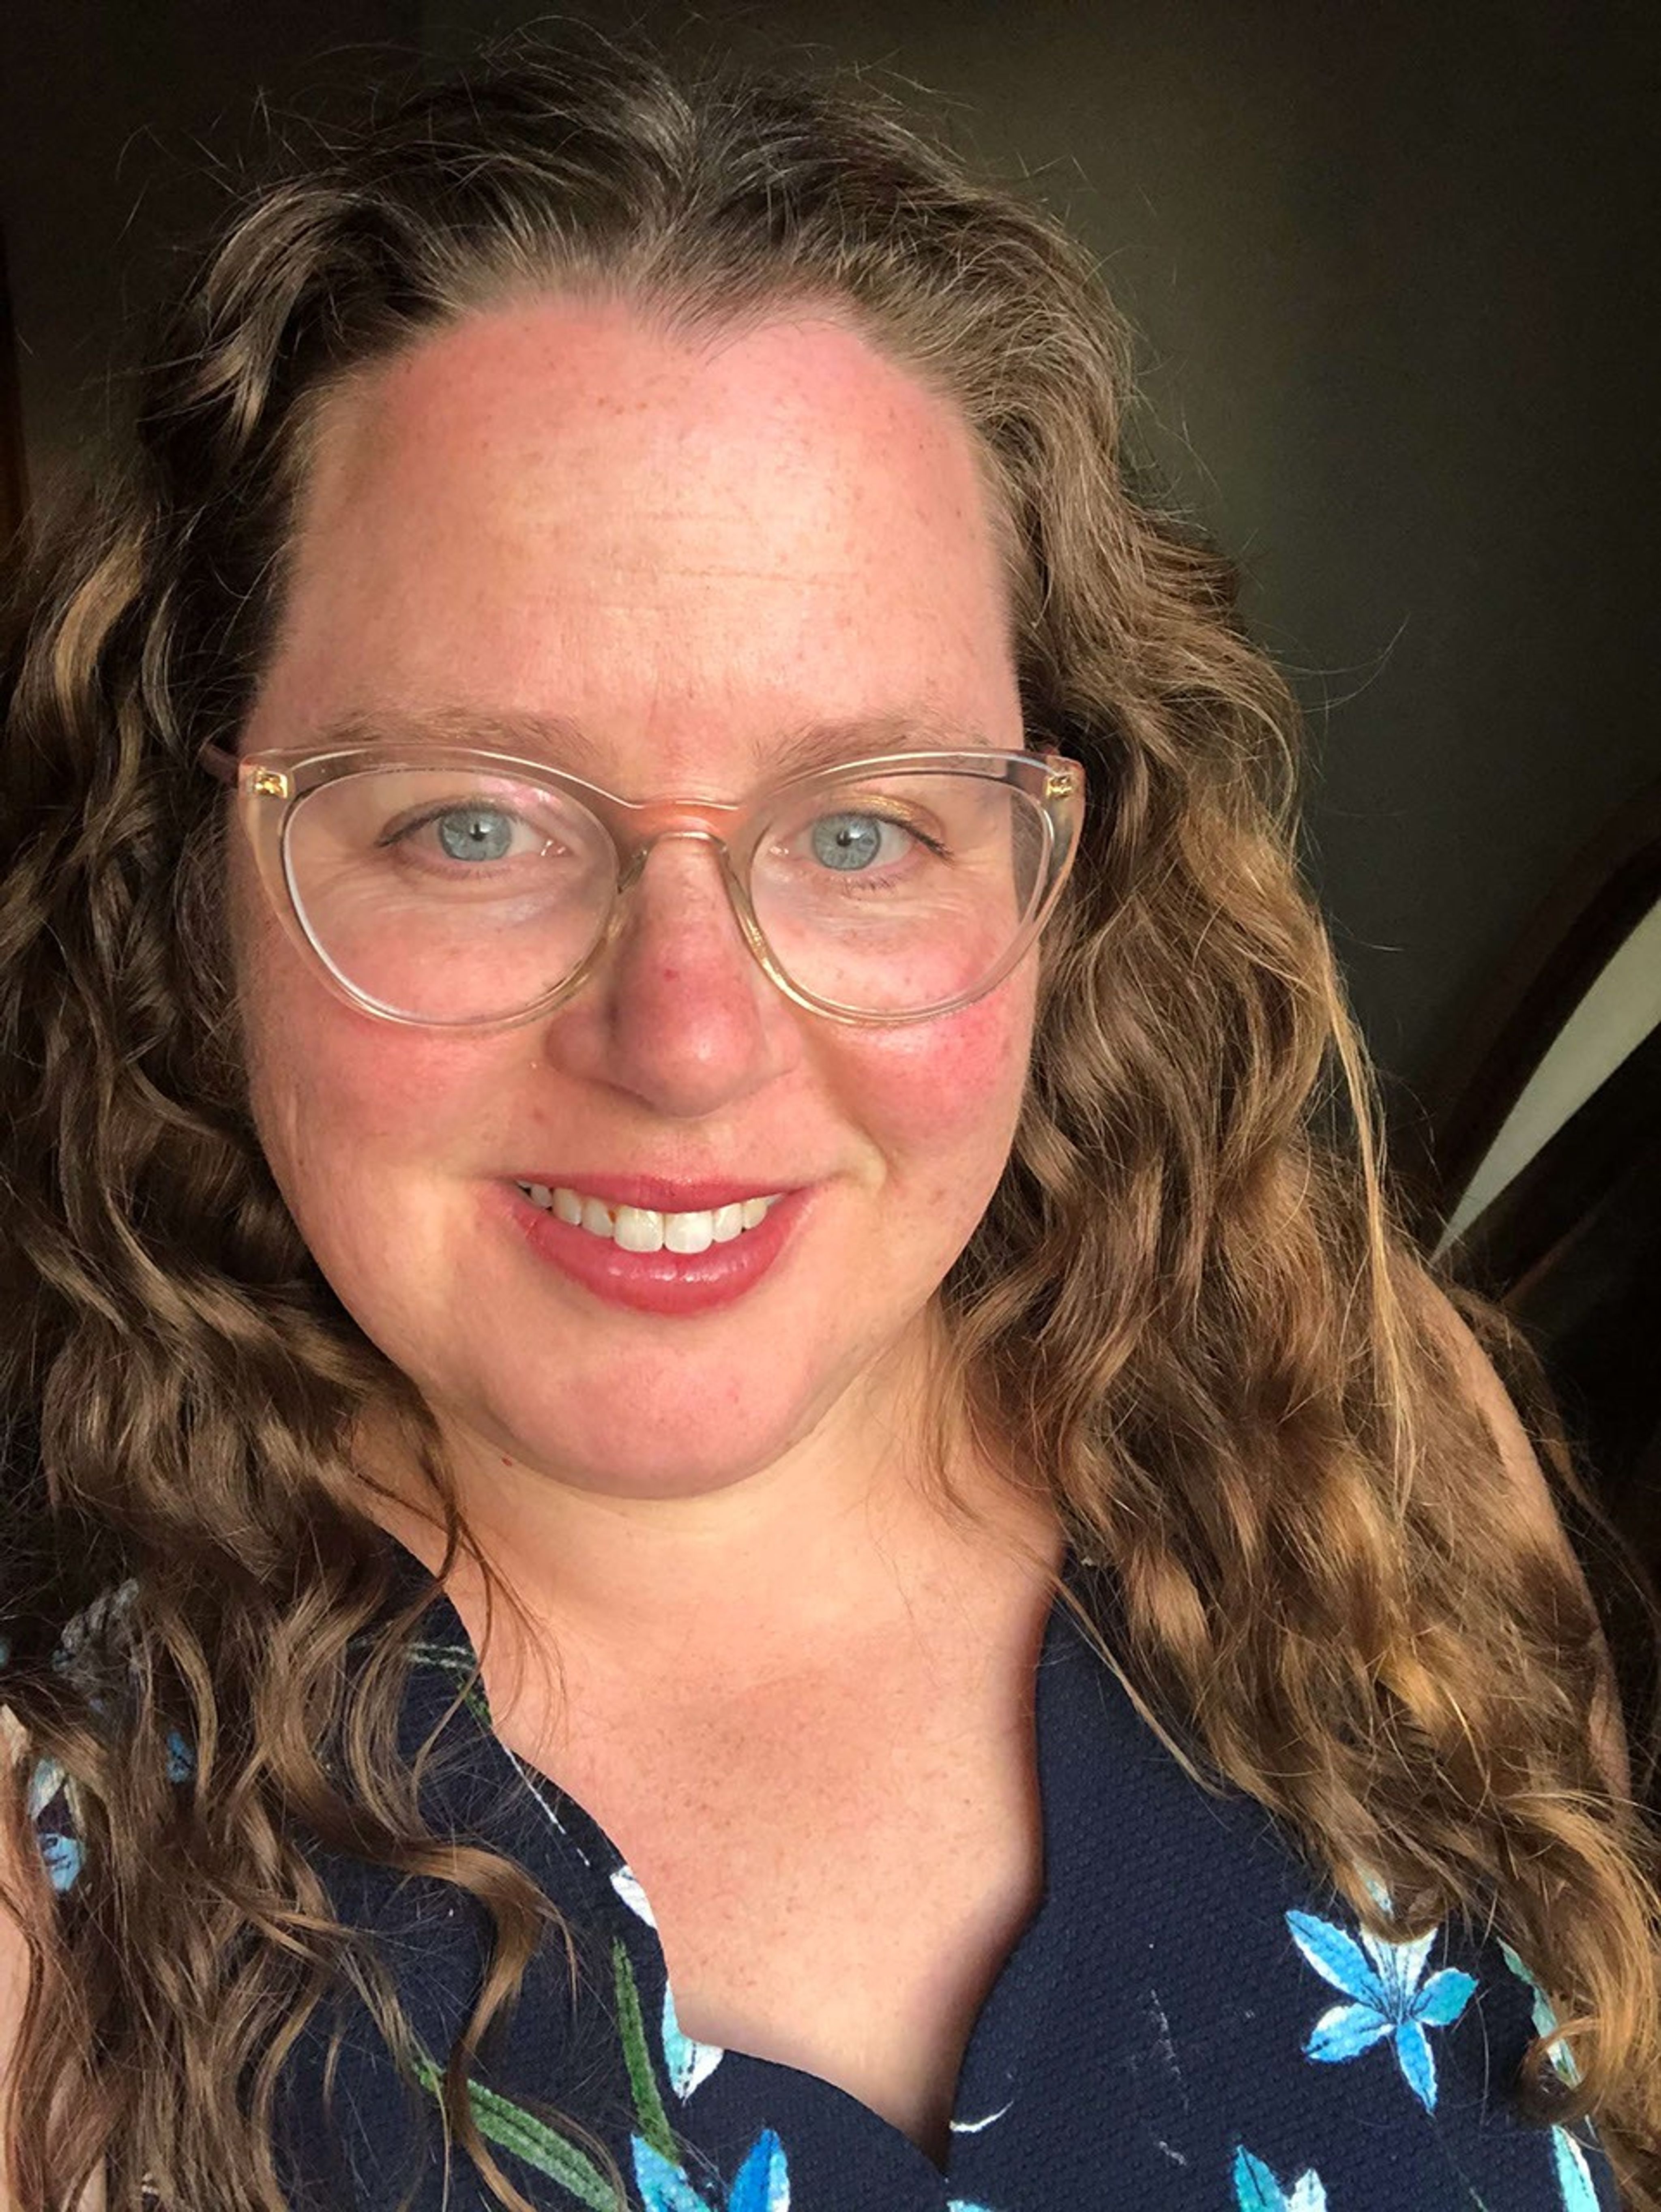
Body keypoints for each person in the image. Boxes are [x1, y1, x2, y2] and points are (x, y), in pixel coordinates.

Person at [0, 34, 1656, 2212]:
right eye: (477, 822)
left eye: (865, 830)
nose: (685, 1039)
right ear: (200, 885)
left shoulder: (1365, 1456)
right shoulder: (62, 1936)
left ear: (1060, 871)